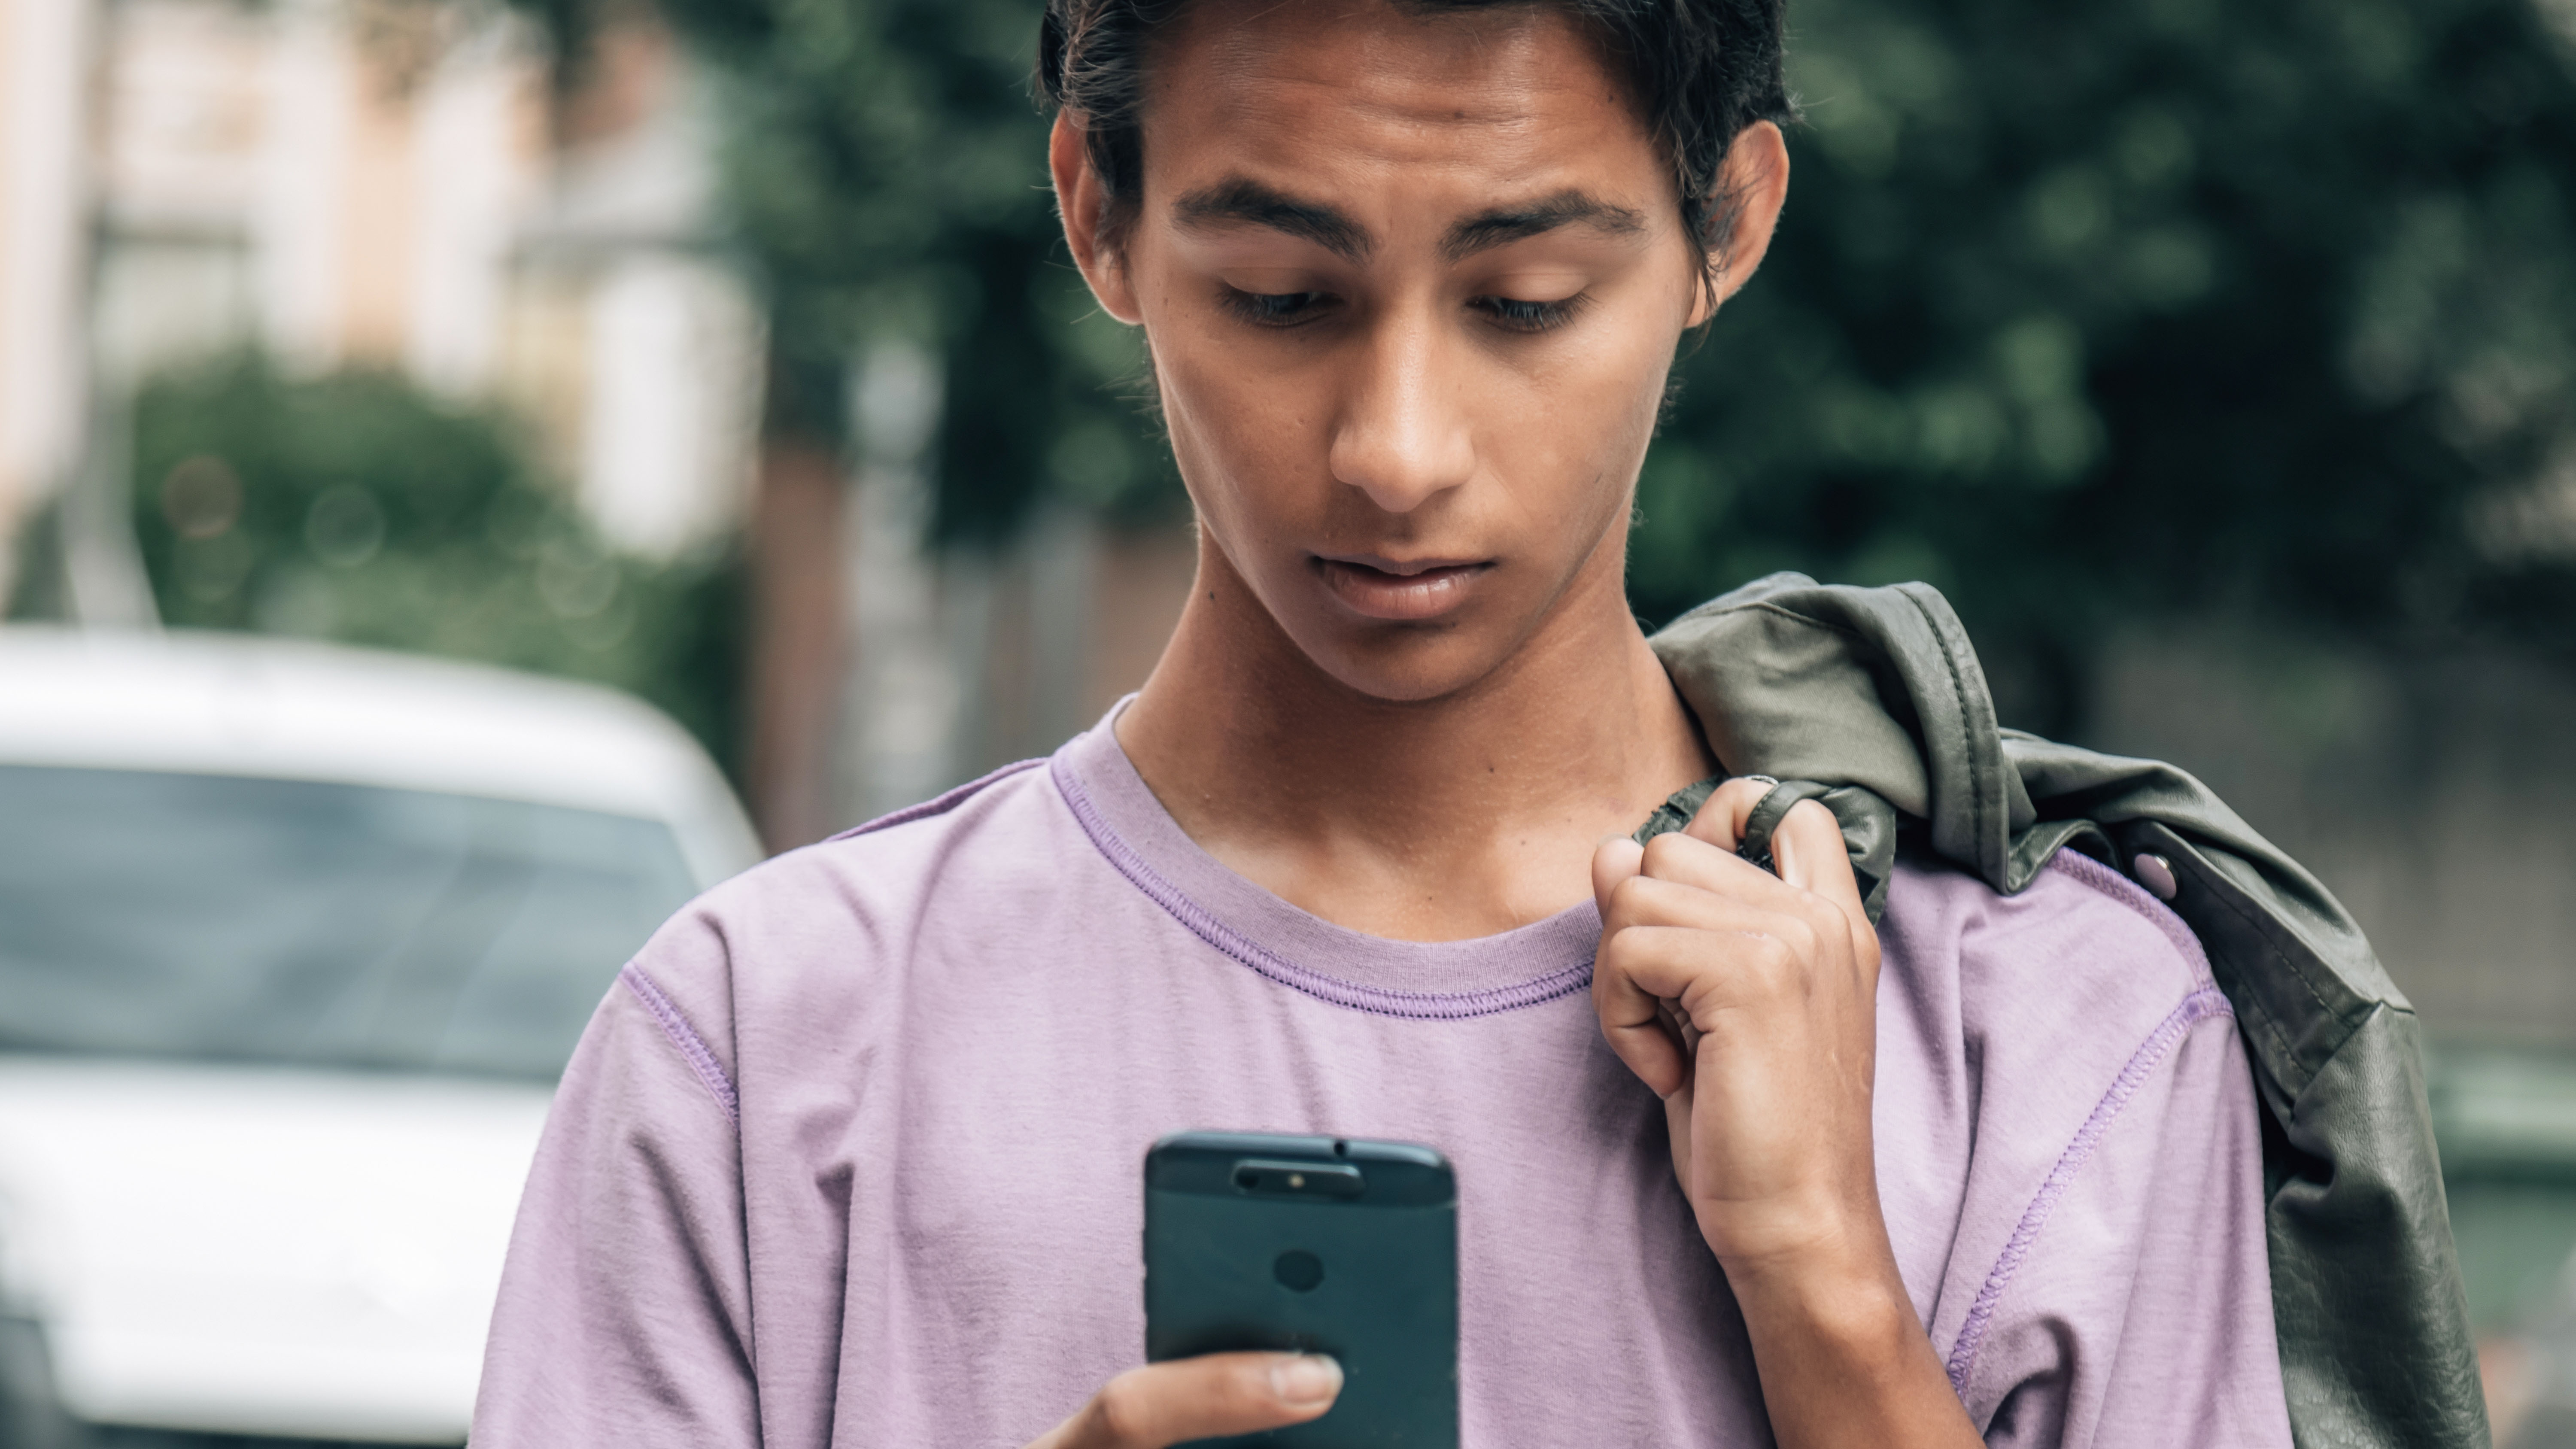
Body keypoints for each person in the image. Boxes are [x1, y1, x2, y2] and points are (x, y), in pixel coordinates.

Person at [471, 0, 2293, 1444]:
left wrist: (1828, 1291)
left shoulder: (2061, 1040)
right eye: (1284, 295)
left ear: (1725, 225)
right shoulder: (763, 1050)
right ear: (1099, 213)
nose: (1397, 449)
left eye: (1524, 300)